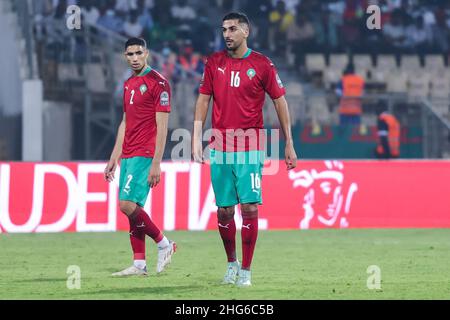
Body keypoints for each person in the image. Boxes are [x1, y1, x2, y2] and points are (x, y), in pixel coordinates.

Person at [192, 12, 298, 287]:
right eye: (224, 29)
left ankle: (247, 271)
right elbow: (203, 101)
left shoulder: (262, 64)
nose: (227, 34)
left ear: (246, 32)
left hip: (251, 145)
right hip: (220, 146)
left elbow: (280, 101)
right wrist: (195, 138)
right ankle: (231, 263)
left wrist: (289, 142)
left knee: (249, 206)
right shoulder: (214, 62)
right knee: (225, 210)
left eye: (233, 29)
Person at [104, 38, 176, 277]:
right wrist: (114, 156)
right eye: (129, 54)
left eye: (138, 53)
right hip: (129, 153)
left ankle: (164, 244)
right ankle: (139, 264)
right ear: (125, 56)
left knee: (126, 205)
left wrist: (157, 162)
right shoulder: (128, 84)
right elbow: (125, 122)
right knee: (134, 208)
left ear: (147, 53)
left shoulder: (159, 83)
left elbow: (162, 126)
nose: (134, 57)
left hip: (145, 152)